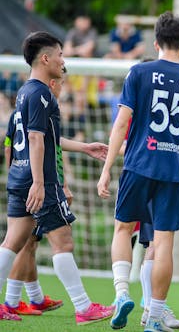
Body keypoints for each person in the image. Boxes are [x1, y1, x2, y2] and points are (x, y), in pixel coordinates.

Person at [97, 12, 179, 331]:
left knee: (123, 229)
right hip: (175, 171)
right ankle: (154, 315)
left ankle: (122, 291)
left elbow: (121, 123)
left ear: (155, 42)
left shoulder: (139, 72)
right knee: (164, 243)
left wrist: (107, 168)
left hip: (138, 164)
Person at [0, 31, 113, 323]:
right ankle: (84, 307)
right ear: (46, 58)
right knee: (62, 241)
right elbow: (36, 139)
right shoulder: (41, 93)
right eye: (60, 55)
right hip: (40, 180)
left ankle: (11, 302)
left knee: (12, 242)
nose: (64, 61)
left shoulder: (25, 91)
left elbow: (41, 139)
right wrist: (40, 182)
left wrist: (84, 147)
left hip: (19, 176)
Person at [2, 72, 71, 317]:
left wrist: (14, 176)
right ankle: (11, 301)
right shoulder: (42, 102)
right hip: (37, 184)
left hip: (20, 180)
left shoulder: (21, 105)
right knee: (40, 242)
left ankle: (34, 297)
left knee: (26, 242)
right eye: (62, 83)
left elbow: (9, 144)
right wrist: (60, 185)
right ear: (52, 83)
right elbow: (47, 148)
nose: (63, 88)